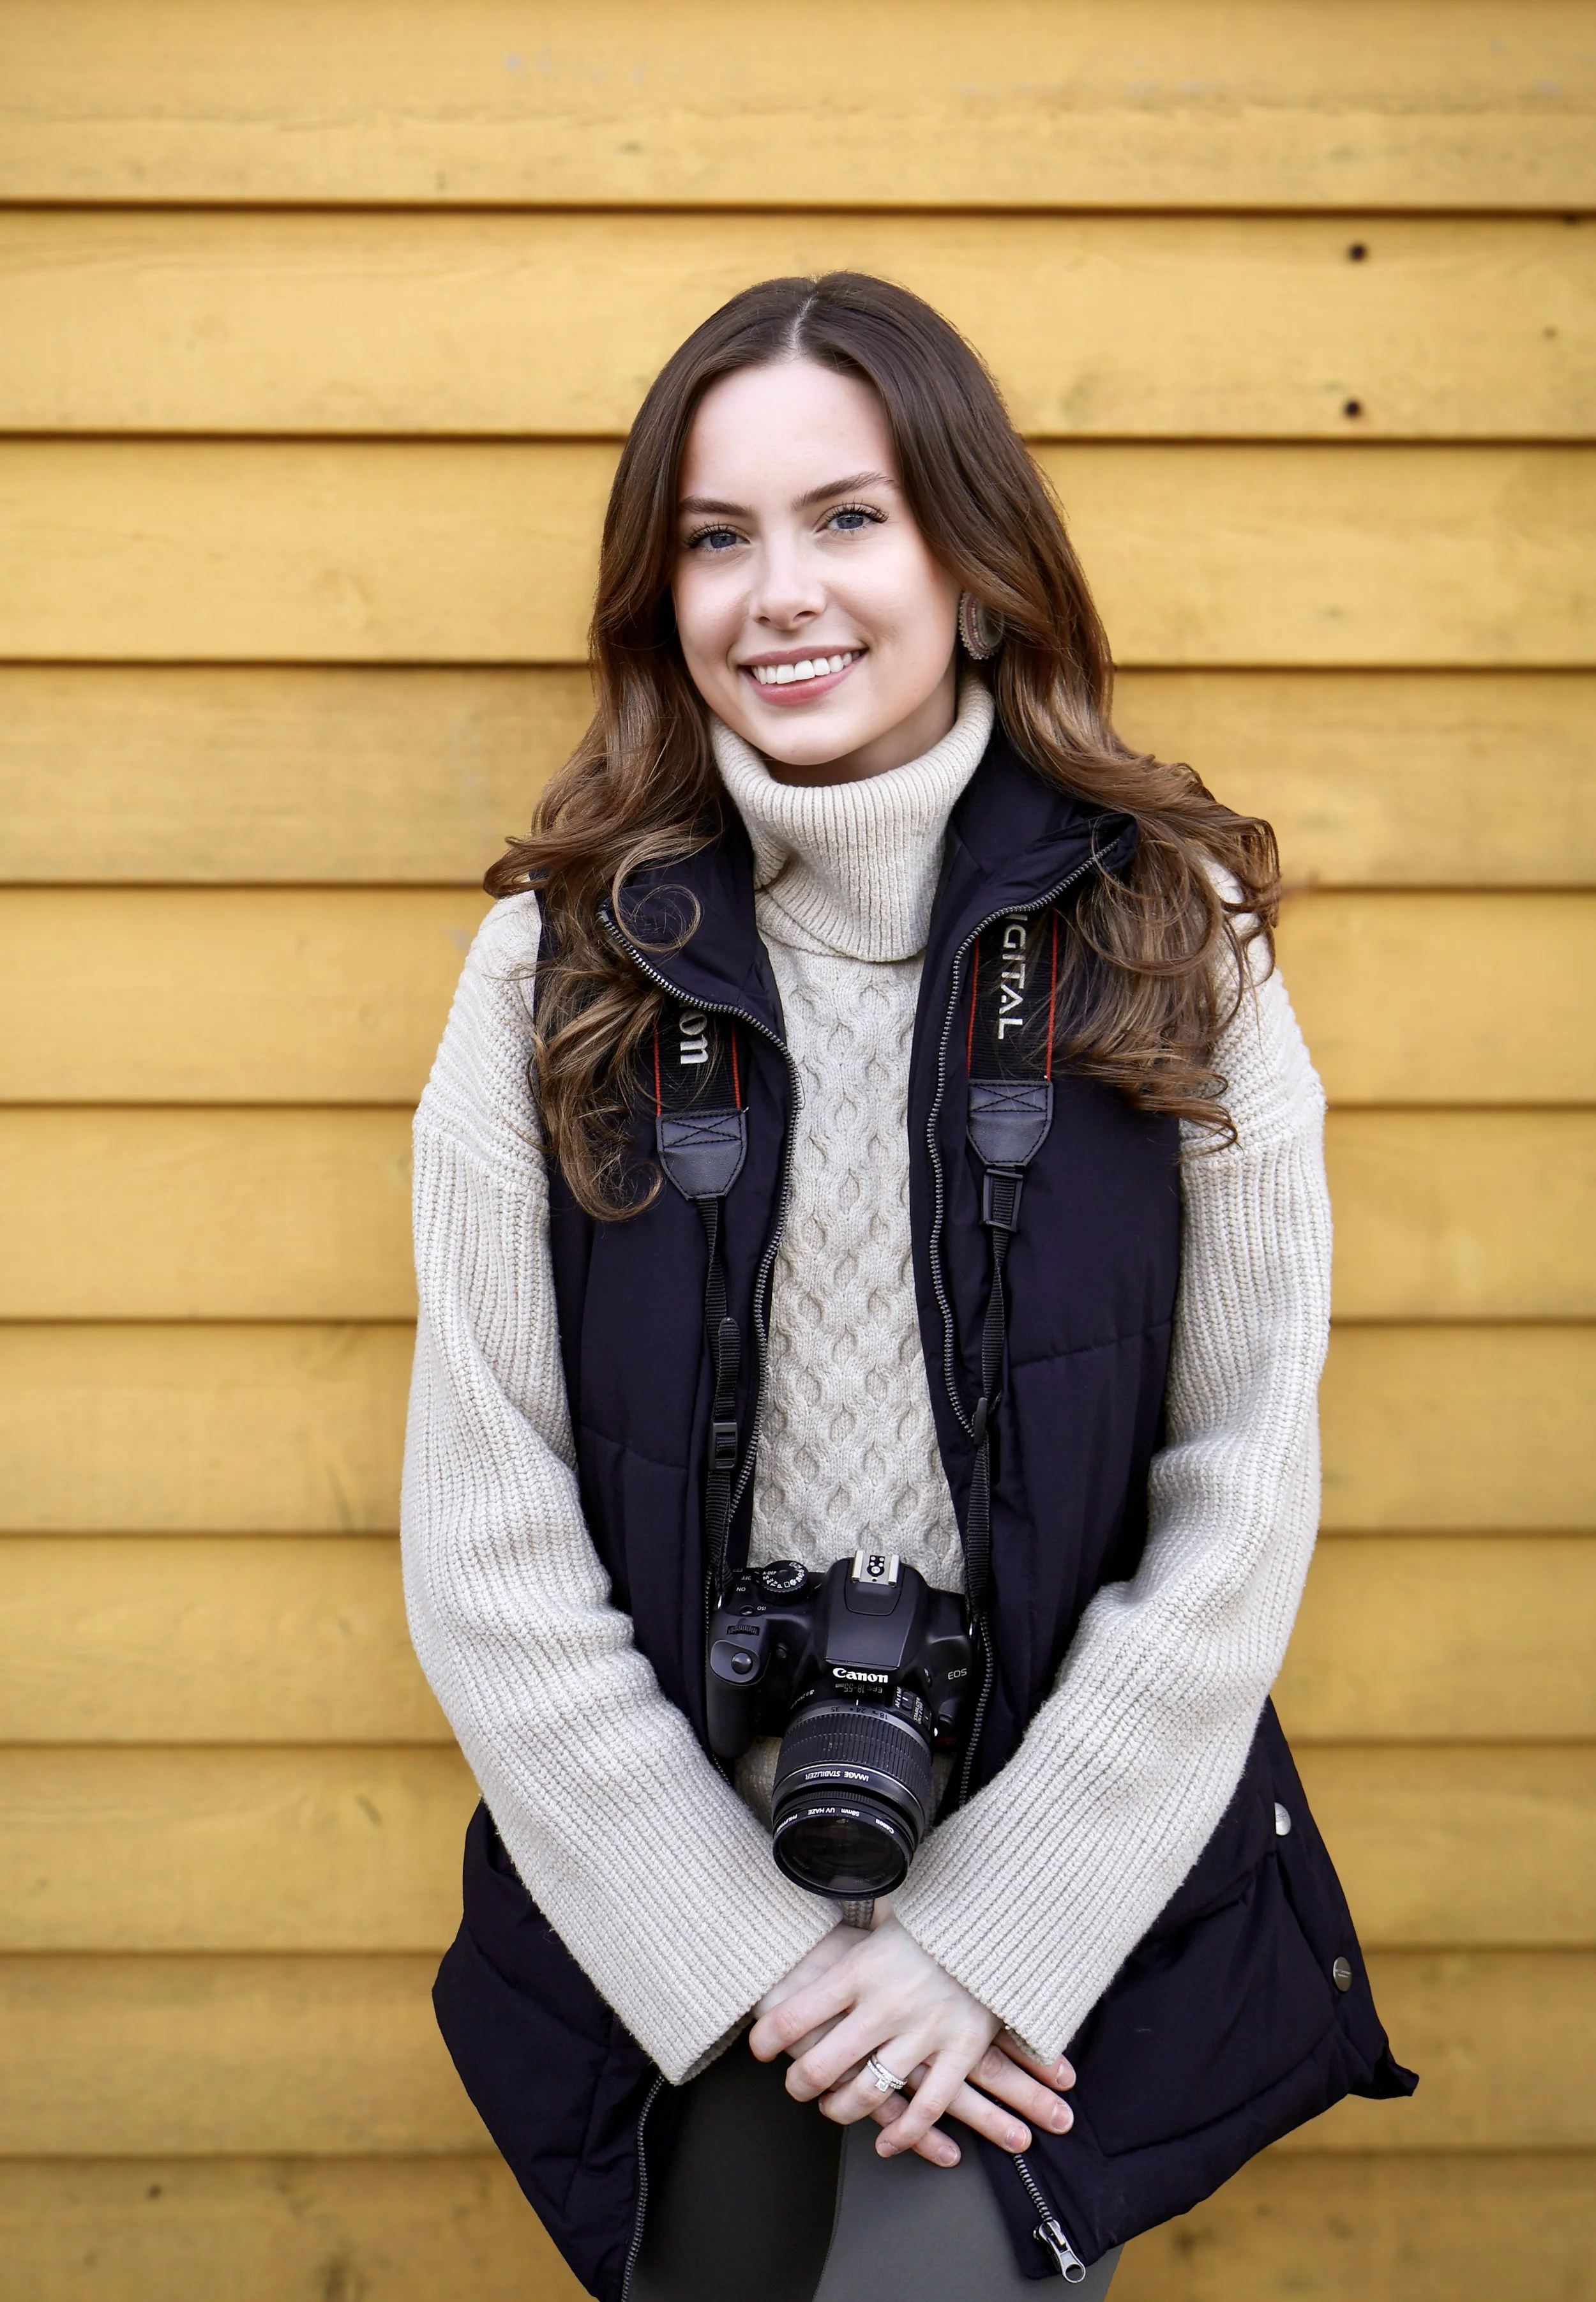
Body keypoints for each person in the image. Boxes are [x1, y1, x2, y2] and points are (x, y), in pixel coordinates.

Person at [402, 273, 1413, 2302]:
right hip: (670, 1864)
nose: (779, 591)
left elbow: (1240, 1482)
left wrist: (992, 1937)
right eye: (715, 535)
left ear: (975, 560)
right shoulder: (558, 969)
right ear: (655, 589)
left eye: (847, 516)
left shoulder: (1168, 935)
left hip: (1050, 1862)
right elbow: (483, 1517)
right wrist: (733, 1944)